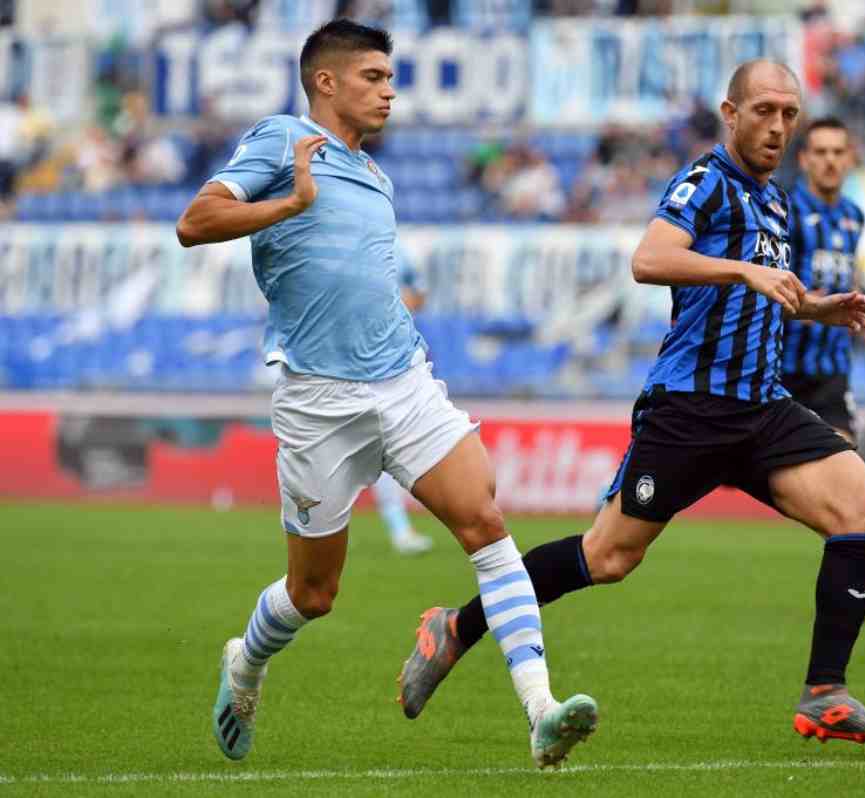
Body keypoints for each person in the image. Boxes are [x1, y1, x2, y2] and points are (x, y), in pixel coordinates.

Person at [398, 60, 865, 746]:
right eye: (764, 111)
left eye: (789, 113)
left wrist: (819, 307)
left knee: (861, 511)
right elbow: (648, 258)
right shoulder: (706, 182)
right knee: (607, 558)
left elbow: (766, 296)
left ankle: (825, 692)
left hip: (762, 407)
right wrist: (742, 268)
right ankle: (455, 627)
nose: (778, 126)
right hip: (689, 409)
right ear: (731, 114)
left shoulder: (777, 201)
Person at [175, 20, 595, 767]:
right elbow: (194, 221)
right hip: (318, 401)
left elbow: (362, 279)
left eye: (391, 77)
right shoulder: (281, 140)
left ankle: (541, 709)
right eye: (374, 76)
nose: (390, 90)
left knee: (485, 522)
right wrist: (288, 204)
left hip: (402, 383)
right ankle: (245, 662)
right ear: (326, 82)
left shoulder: (375, 176)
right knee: (314, 594)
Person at [781, 115, 865, 617]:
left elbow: (844, 277)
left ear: (850, 159)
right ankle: (637, 483)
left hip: (832, 371)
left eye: (839, 152)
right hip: (781, 367)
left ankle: (860, 582)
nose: (830, 160)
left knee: (851, 477)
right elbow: (781, 281)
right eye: (821, 152)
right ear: (806, 159)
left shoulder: (854, 216)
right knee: (720, 462)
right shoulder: (788, 212)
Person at [371, 259, 434, 555]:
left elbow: (419, 295)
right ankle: (399, 528)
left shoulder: (402, 253)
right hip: (369, 375)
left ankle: (400, 528)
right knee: (381, 454)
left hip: (397, 369)